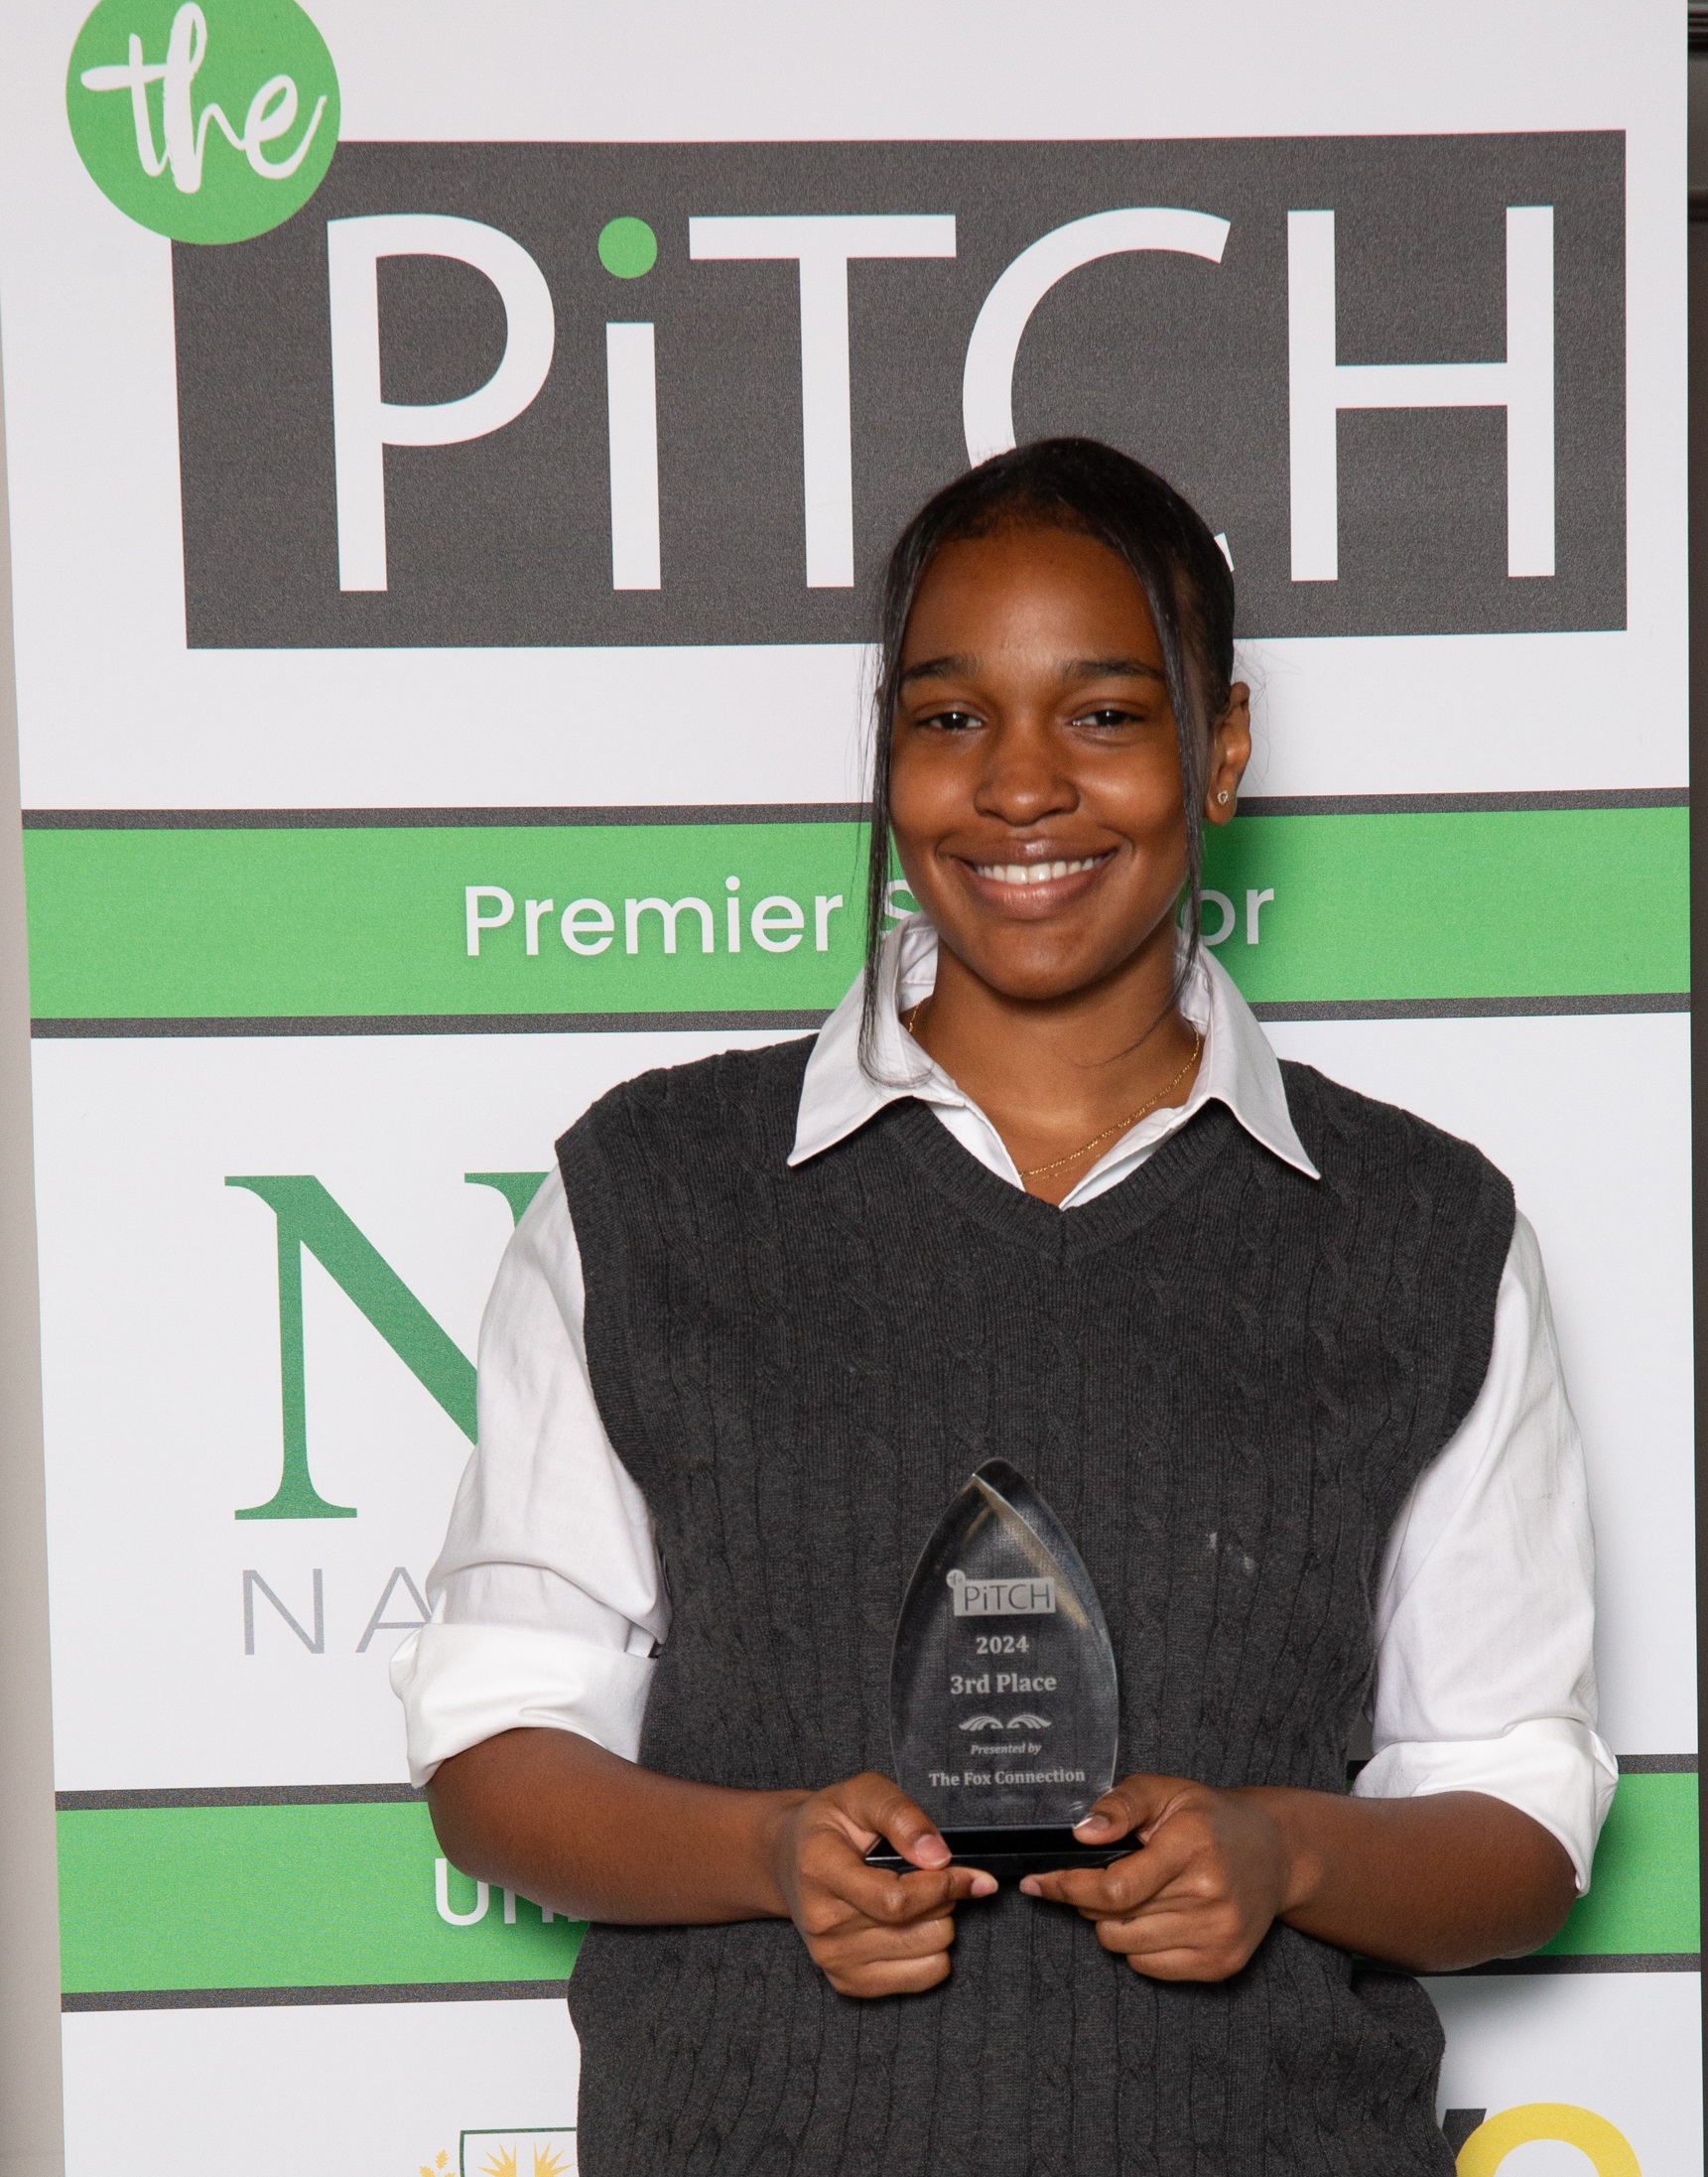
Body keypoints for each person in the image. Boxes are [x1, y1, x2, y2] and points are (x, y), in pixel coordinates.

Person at [393, 439, 1615, 2175]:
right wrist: (765, 1852)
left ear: (1224, 750)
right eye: (949, 717)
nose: (1018, 787)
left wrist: (1285, 1857)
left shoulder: (1421, 1233)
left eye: (1104, 715)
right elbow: (492, 1743)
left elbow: (1518, 1811)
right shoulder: (648, 1194)